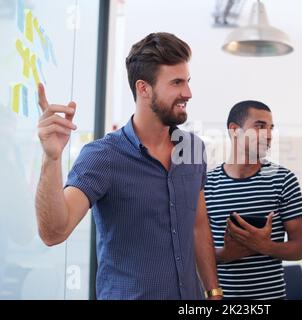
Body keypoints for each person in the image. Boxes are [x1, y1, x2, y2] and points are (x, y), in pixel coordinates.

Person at [35, 32, 221, 300]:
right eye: (177, 83)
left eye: (188, 81)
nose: (188, 93)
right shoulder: (103, 157)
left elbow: (198, 223)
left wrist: (213, 292)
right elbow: (54, 232)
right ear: (143, 88)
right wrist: (51, 159)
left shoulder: (192, 148)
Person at [204, 100, 302, 300]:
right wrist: (225, 254)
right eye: (260, 126)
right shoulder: (206, 184)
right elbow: (195, 251)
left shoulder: (283, 180)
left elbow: (299, 249)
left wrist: (264, 246)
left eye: (271, 128)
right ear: (234, 130)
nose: (268, 135)